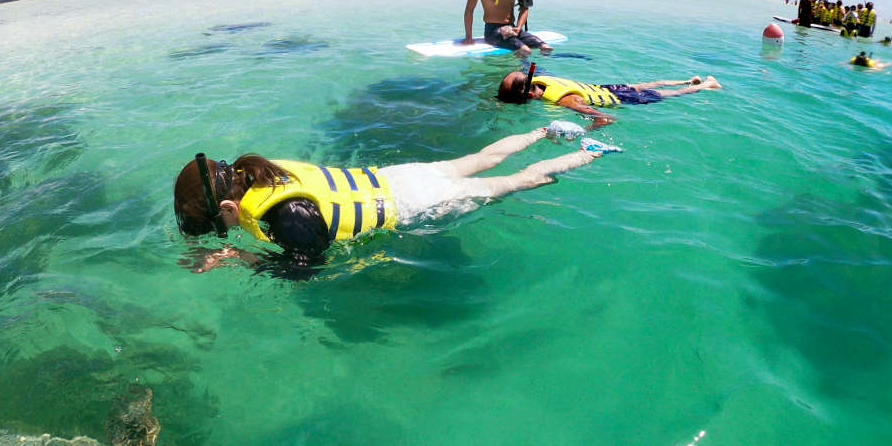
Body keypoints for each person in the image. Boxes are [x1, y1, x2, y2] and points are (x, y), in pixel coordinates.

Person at [174, 129, 604, 271]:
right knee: (480, 159)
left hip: (418, 203)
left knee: (513, 183)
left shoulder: (287, 217)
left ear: (229, 208)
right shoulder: (259, 170)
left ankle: (587, 154)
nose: (223, 230)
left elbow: (308, 268)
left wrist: (235, 255)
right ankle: (544, 132)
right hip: (398, 177)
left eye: (220, 225)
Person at [497, 71, 722, 127]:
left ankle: (707, 85)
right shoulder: (538, 79)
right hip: (601, 88)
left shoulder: (565, 102)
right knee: (646, 84)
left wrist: (586, 130)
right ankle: (687, 80)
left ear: (527, 96)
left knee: (665, 94)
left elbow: (606, 118)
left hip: (616, 98)